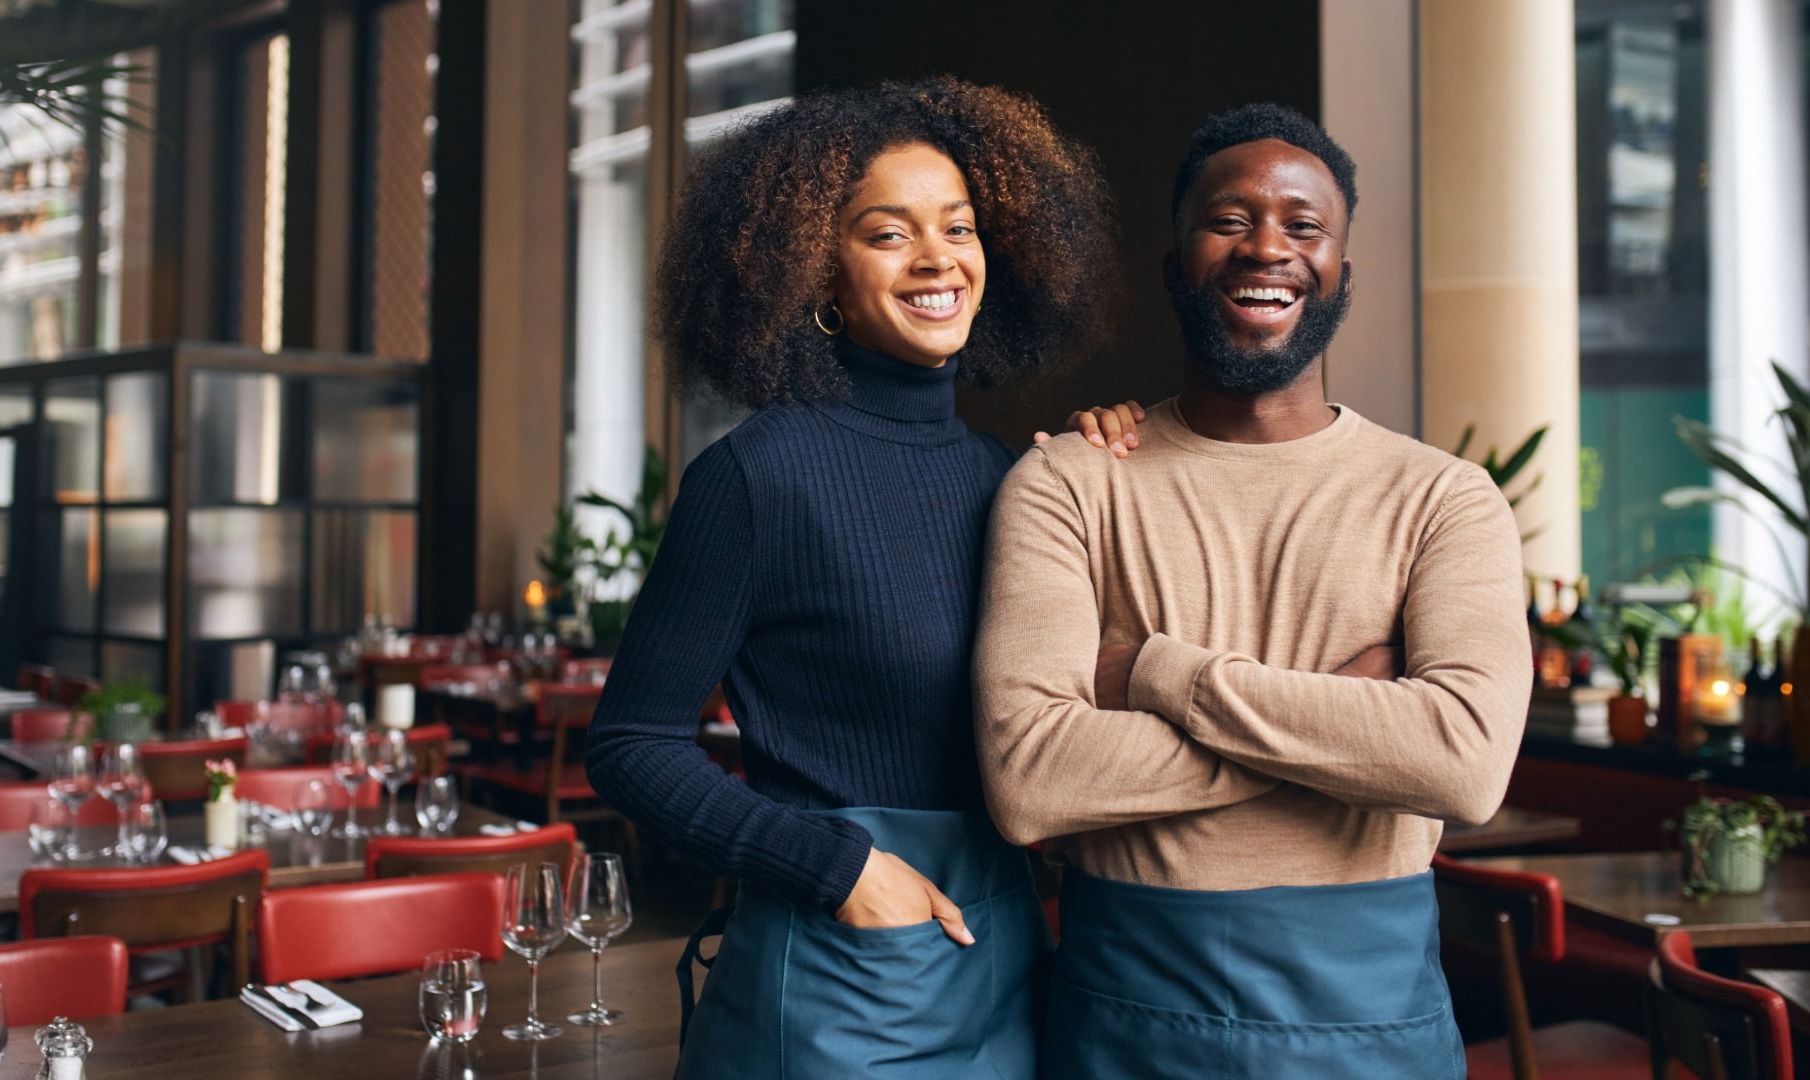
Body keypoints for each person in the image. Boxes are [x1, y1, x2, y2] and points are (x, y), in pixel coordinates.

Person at [584, 76, 1134, 1078]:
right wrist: (838, 872)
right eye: (888, 233)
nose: (938, 260)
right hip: (843, 973)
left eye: (959, 228)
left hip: (1007, 957)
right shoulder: (758, 476)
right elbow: (630, 746)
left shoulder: (1010, 476)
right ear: (818, 276)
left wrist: (1117, 462)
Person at [973, 102, 1531, 1079]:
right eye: (1229, 221)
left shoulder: (1445, 499)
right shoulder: (1066, 482)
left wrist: (1156, 671)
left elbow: (1464, 767)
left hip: (1373, 1021)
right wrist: (1354, 721)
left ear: (1340, 276)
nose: (1265, 246)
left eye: (1302, 226)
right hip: (1130, 1013)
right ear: (1175, 265)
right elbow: (1032, 785)